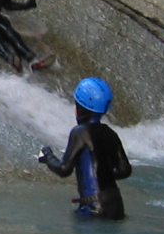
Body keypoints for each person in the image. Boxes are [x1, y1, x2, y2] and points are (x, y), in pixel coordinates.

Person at [38, 77, 131, 219]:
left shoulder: (80, 132)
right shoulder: (111, 133)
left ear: (79, 107)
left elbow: (64, 169)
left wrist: (47, 156)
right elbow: (125, 170)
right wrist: (103, 171)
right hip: (116, 205)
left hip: (94, 207)